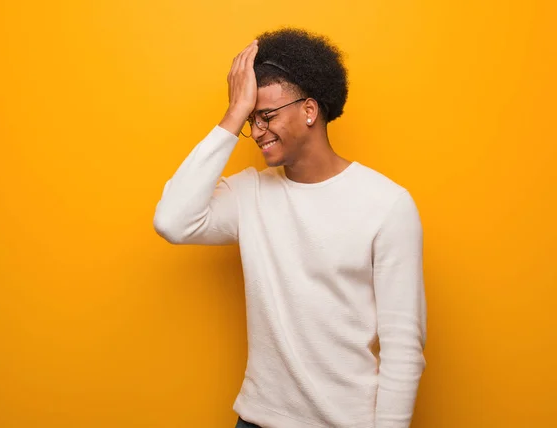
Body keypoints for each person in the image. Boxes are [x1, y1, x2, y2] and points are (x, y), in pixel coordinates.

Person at [154, 28, 427, 428]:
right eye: (252, 119)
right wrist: (233, 115)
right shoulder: (250, 195)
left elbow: (404, 348)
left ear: (310, 110)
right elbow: (172, 222)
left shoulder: (387, 205)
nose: (258, 131)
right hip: (257, 420)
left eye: (267, 115)